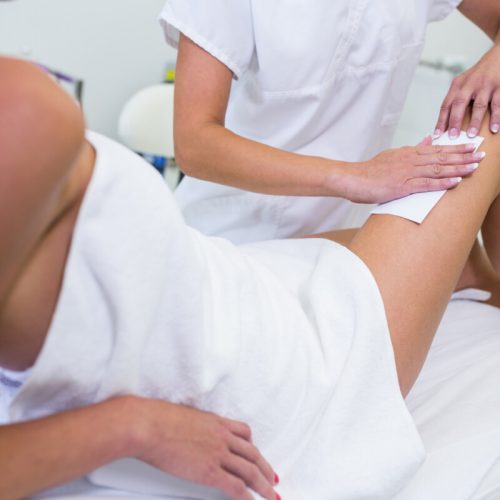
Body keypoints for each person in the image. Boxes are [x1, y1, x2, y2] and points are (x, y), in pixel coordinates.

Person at [1, 58, 500, 500]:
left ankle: (467, 271)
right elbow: (195, 139)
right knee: (486, 120)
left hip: (231, 275)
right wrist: (131, 426)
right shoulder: (23, 109)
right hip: (284, 369)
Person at [159, 0, 500, 243]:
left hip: (347, 240)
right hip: (231, 235)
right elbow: (194, 143)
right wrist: (355, 176)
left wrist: (494, 61)